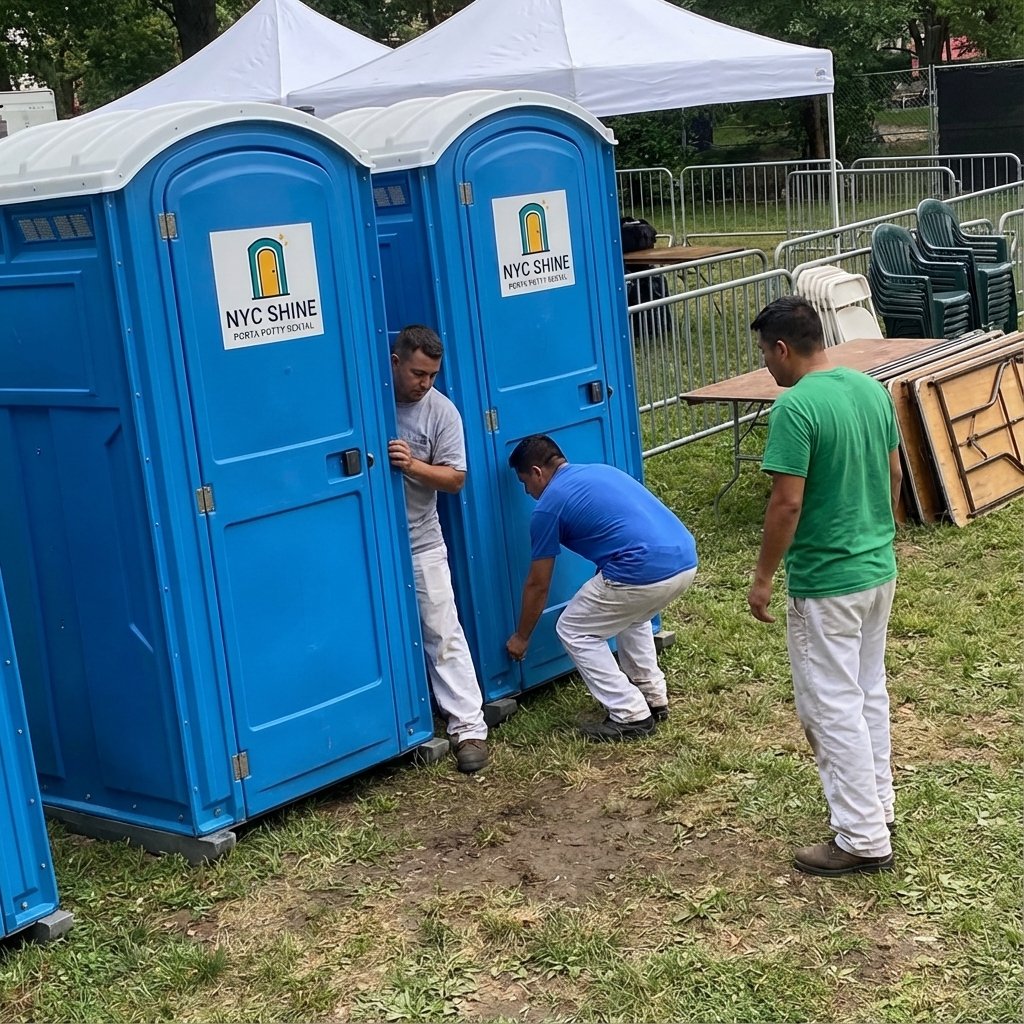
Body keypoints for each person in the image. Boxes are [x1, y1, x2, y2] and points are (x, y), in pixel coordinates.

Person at [747, 295, 900, 877]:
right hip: (876, 569)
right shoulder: (871, 389)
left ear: (783, 348)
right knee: (867, 692)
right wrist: (879, 535)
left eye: (765, 353)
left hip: (827, 581)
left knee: (830, 706)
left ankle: (861, 836)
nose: (766, 364)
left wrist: (763, 577)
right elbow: (893, 473)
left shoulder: (795, 407)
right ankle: (878, 808)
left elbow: (787, 503)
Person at [505, 435, 697, 742]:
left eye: (524, 482)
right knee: (631, 615)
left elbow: (538, 584)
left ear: (537, 472)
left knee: (573, 630)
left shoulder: (548, 507)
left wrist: (522, 637)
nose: (528, 492)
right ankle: (652, 696)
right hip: (684, 559)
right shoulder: (600, 471)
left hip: (642, 570)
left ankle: (630, 714)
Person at [388, 325, 488, 773]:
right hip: (366, 545)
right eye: (417, 373)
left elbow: (455, 479)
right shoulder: (367, 398)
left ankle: (469, 728)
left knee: (442, 630)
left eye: (432, 375)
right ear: (395, 362)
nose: (425, 383)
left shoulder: (442, 411)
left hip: (420, 539)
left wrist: (413, 465)